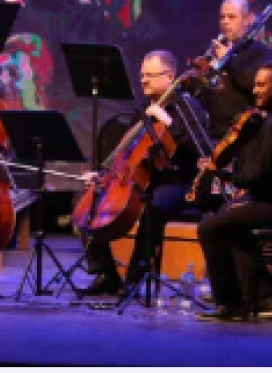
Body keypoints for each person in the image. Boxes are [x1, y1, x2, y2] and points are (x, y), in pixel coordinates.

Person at [195, 59, 272, 322]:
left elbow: (253, 177)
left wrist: (218, 171)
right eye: (256, 85)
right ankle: (263, 295)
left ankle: (229, 302)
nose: (255, 90)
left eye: (262, 85)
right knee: (232, 223)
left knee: (210, 227)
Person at [78, 50, 209, 297]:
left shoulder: (187, 107)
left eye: (150, 75)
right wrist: (103, 174)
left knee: (154, 207)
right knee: (86, 201)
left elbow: (200, 147)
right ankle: (106, 273)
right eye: (142, 76)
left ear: (170, 76)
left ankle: (136, 277)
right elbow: (128, 152)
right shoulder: (144, 109)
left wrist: (168, 121)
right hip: (145, 178)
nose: (144, 81)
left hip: (181, 182)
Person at [196, 0, 271, 139]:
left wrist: (228, 60)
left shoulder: (259, 52)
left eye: (231, 17)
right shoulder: (214, 52)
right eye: (222, 17)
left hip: (244, 138)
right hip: (215, 136)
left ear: (248, 19)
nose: (225, 22)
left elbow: (255, 83)